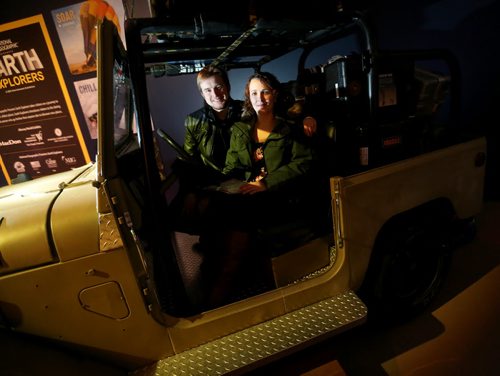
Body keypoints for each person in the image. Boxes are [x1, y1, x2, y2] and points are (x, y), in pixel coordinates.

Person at [200, 71, 317, 307]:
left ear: (274, 94)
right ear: (248, 97)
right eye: (254, 93)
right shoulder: (241, 129)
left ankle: (225, 281)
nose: (259, 98)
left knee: (241, 215)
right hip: (248, 191)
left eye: (264, 91)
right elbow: (232, 166)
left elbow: (302, 164)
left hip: (278, 195)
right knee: (210, 203)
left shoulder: (290, 129)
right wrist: (222, 183)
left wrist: (265, 183)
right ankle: (221, 267)